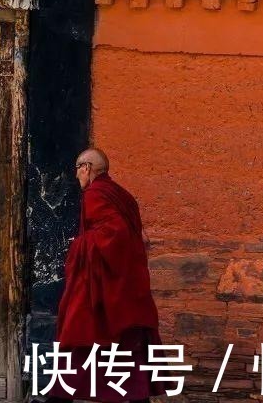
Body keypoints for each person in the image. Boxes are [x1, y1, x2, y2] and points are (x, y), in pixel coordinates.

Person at [52, 148, 160, 402]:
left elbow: (117, 233)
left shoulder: (95, 193)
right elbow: (136, 235)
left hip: (103, 283)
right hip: (126, 279)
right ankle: (137, 396)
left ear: (88, 168)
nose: (76, 173)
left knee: (82, 331)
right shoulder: (121, 194)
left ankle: (60, 397)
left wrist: (78, 245)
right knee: (124, 340)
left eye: (78, 167)